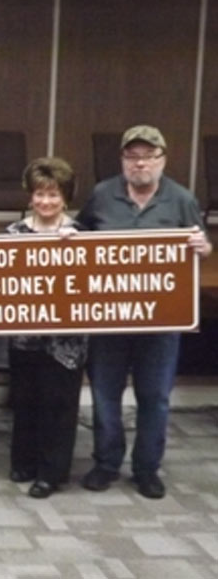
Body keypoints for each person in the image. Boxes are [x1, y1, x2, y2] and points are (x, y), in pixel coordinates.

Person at [76, 124, 212, 499]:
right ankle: (106, 463)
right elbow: (81, 236)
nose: (140, 164)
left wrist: (203, 248)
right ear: (122, 160)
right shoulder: (102, 195)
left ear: (162, 159)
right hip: (109, 319)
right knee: (105, 394)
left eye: (148, 156)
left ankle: (146, 468)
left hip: (160, 321)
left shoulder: (181, 199)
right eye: (132, 156)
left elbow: (200, 246)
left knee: (155, 397)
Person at [0, 157, 87, 498]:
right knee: (25, 401)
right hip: (25, 340)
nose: (46, 202)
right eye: (40, 194)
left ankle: (51, 474)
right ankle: (23, 462)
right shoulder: (14, 234)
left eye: (54, 195)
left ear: (65, 198)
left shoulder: (82, 236)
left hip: (65, 344)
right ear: (30, 196)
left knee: (59, 405)